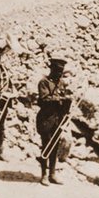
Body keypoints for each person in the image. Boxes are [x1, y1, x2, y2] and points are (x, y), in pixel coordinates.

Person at [36, 56, 72, 185]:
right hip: (46, 118)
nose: (59, 74)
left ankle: (52, 173)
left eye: (61, 72)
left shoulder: (61, 83)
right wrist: (60, 100)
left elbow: (63, 100)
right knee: (46, 145)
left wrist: (68, 102)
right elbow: (44, 99)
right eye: (57, 71)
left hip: (57, 119)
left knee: (55, 146)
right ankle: (44, 175)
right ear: (52, 69)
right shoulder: (44, 82)